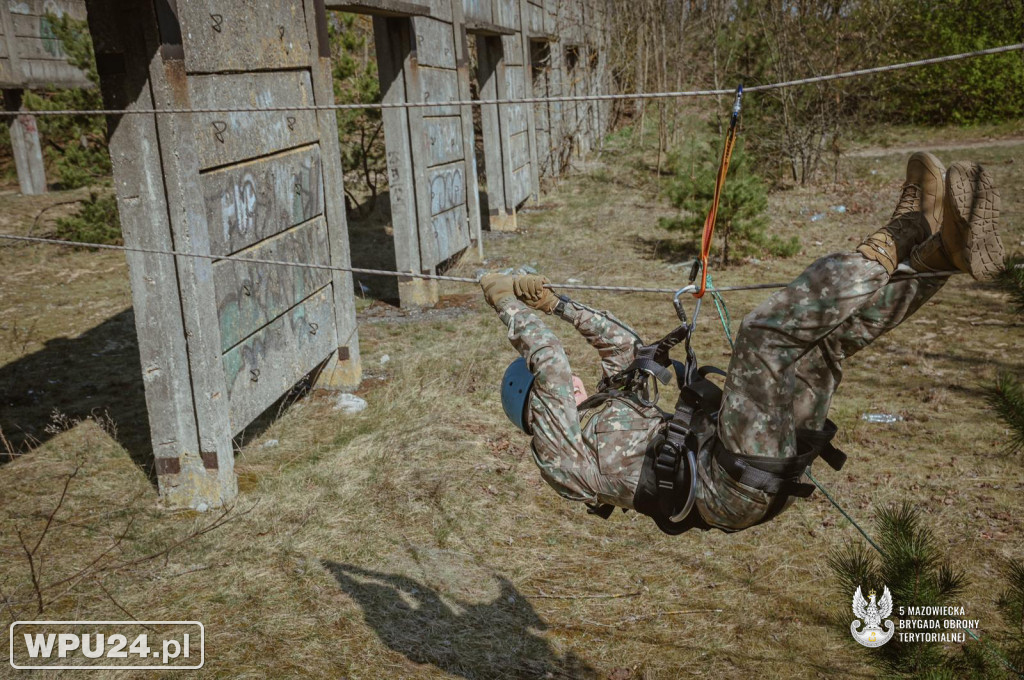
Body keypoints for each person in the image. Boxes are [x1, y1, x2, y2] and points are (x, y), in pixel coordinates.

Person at [480, 154, 1003, 533]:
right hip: (729, 480)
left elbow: (623, 346)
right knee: (763, 338)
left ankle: (941, 257)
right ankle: (900, 233)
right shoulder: (557, 452)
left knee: (822, 349)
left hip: (748, 461)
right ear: (535, 403)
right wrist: (505, 302)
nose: (574, 382)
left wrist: (555, 304)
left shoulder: (600, 409)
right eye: (558, 388)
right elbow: (549, 363)